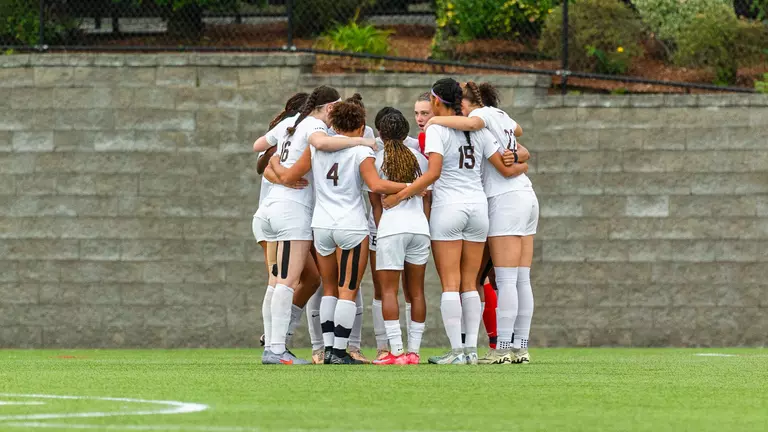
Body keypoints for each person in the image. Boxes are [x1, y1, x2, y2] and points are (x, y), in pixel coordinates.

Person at [383, 78, 527, 365]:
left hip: (449, 207)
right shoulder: (480, 129)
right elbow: (503, 164)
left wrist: (402, 194)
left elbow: (434, 172)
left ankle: (458, 352)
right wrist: (522, 158)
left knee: (451, 283)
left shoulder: (437, 128)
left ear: (437, 101)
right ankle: (472, 351)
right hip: (478, 208)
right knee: (471, 284)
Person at [269, 100, 407, 364]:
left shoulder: (316, 149)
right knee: (348, 290)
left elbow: (289, 176)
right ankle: (340, 351)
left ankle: (328, 347)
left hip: (321, 225)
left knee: (330, 288)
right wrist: (411, 185)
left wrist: (275, 160)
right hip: (351, 226)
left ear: (332, 124)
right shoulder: (360, 152)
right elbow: (376, 185)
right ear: (360, 126)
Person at [255, 85, 376, 365]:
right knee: (288, 283)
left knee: (279, 283)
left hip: (270, 209)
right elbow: (321, 144)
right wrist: (361, 142)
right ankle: (277, 349)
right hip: (295, 212)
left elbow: (260, 148)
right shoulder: (313, 127)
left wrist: (275, 165)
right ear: (330, 108)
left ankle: (275, 346)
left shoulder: (290, 123)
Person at [425, 81, 537, 364]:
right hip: (524, 195)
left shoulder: (481, 119)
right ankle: (519, 346)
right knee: (519, 278)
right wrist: (521, 158)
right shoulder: (499, 118)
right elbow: (518, 136)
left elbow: (475, 126)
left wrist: (435, 119)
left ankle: (500, 348)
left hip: (501, 199)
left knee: (502, 279)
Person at [369, 112, 431, 365]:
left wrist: (383, 226)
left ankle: (395, 351)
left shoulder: (377, 159)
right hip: (419, 228)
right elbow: (427, 198)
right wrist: (423, 224)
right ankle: (414, 352)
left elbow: (375, 204)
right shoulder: (421, 159)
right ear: (406, 134)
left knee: (388, 291)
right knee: (416, 292)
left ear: (381, 135)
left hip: (391, 229)